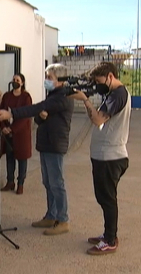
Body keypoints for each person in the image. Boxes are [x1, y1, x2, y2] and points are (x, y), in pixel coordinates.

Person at [0, 64, 74, 236]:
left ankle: (63, 219)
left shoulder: (63, 96)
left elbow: (36, 108)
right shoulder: (53, 94)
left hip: (55, 144)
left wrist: (12, 114)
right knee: (48, 182)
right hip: (46, 143)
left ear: (60, 80)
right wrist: (41, 116)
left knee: (57, 183)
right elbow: (40, 117)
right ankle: (51, 215)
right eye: (46, 77)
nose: (46, 81)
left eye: (50, 78)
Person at [69, 62, 130, 255]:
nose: (98, 84)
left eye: (99, 81)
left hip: (110, 157)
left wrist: (85, 100)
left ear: (110, 76)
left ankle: (110, 240)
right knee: (104, 198)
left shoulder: (118, 94)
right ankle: (108, 234)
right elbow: (97, 119)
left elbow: (97, 120)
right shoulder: (111, 95)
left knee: (107, 199)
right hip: (104, 155)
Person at [0, 73, 32, 194]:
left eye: (17, 80)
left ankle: (21, 183)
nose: (14, 81)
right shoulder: (6, 96)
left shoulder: (26, 97)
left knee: (22, 159)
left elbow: (26, 115)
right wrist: (3, 127)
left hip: (21, 133)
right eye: (13, 79)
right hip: (7, 134)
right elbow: (0, 111)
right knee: (10, 158)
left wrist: (13, 128)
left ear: (22, 82)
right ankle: (10, 181)